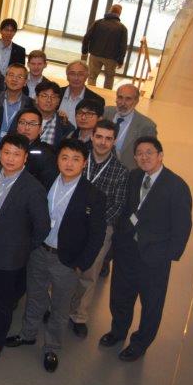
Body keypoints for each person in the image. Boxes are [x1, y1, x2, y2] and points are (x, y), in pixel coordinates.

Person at [6, 139, 106, 373]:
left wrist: (81, 264)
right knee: (35, 297)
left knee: (60, 307)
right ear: (57, 160)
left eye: (76, 159)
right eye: (64, 157)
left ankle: (52, 347)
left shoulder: (93, 195)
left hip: (67, 260)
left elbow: (97, 235)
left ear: (84, 163)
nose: (69, 163)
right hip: (39, 251)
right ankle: (28, 334)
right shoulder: (46, 180)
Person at [103, 137, 193, 361]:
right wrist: (119, 239)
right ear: (135, 157)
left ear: (160, 155)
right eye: (140, 153)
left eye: (149, 152)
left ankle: (140, 343)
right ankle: (118, 331)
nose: (144, 157)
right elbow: (125, 209)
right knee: (120, 295)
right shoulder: (133, 177)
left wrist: (167, 255)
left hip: (154, 258)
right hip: (127, 250)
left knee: (151, 304)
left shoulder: (176, 186)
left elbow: (182, 227)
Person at [0, 134, 49, 363]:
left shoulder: (33, 188)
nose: (10, 158)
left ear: (25, 158)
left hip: (9, 255)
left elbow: (42, 227)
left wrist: (22, 248)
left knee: (3, 302)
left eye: (17, 154)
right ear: (0, 154)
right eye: (6, 152)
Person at [69, 119, 129, 336]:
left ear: (114, 141)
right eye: (99, 137)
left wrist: (94, 225)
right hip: (71, 222)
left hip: (101, 228)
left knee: (89, 273)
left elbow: (118, 206)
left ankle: (79, 315)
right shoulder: (77, 158)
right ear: (92, 136)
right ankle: (55, 306)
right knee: (64, 267)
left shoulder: (120, 171)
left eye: (108, 139)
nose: (103, 142)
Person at [105, 84, 157, 171]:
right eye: (120, 97)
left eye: (128, 99)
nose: (122, 103)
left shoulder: (146, 126)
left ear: (136, 101)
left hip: (127, 173)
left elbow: (150, 156)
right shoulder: (105, 112)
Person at [83, 4, 129, 89]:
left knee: (92, 76)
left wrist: (84, 50)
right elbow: (123, 46)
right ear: (119, 13)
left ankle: (90, 92)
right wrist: (120, 60)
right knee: (109, 78)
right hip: (111, 58)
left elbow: (87, 37)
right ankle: (105, 95)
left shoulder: (98, 23)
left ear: (110, 10)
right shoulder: (122, 28)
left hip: (95, 54)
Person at [13, 107, 59, 188]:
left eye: (32, 124)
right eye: (22, 122)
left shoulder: (47, 154)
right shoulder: (8, 147)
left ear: (40, 129)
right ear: (17, 127)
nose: (26, 128)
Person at [0, 63, 33, 143]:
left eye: (19, 77)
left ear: (25, 82)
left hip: (13, 147)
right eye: (11, 75)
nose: (14, 79)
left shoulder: (31, 104)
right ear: (5, 78)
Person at [34, 80, 73, 146]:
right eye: (44, 96)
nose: (49, 100)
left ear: (58, 101)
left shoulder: (66, 126)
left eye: (53, 97)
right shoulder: (24, 117)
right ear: (36, 99)